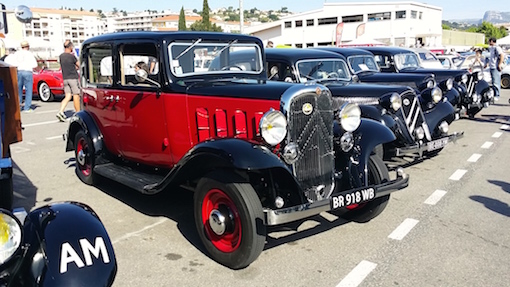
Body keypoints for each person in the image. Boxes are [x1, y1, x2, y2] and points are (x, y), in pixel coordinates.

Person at [5, 40, 38, 112]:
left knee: (18, 90)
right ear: (28, 46)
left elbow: (13, 62)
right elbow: (35, 65)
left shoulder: (17, 54)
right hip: (28, 71)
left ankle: (18, 106)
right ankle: (27, 107)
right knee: (28, 90)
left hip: (19, 71)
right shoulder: (30, 54)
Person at [56, 40, 80, 122]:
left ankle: (61, 111)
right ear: (70, 47)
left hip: (65, 78)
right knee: (76, 95)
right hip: (73, 78)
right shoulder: (71, 57)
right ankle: (78, 113)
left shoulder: (61, 56)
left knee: (68, 96)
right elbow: (79, 65)